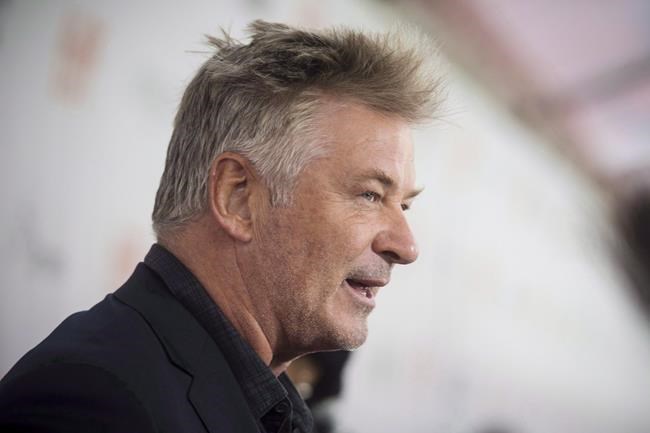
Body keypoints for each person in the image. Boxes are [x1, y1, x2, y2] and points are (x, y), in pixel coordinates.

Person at [0, 20, 442, 432]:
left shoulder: (270, 406)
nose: (406, 246)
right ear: (238, 197)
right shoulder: (91, 402)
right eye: (370, 195)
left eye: (404, 204)